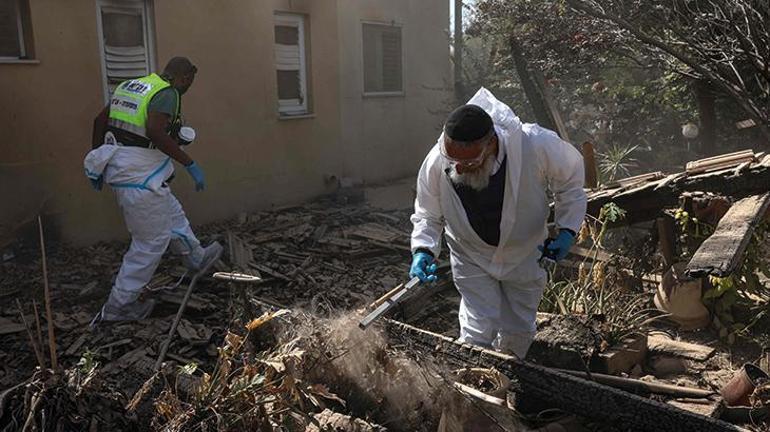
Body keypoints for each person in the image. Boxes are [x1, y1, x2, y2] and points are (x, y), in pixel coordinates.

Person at [409, 88, 587, 357]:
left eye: (468, 161)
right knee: (477, 329)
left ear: (491, 143)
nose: (458, 168)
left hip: (526, 252)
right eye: (453, 159)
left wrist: (568, 229)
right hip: (470, 255)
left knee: (518, 328)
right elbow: (427, 213)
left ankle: (511, 380)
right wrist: (423, 249)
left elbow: (571, 184)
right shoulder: (437, 161)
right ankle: (478, 383)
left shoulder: (534, 144)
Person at [85, 57, 222, 322]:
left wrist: (98, 158)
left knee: (171, 212)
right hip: (139, 176)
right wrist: (189, 163)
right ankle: (119, 306)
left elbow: (98, 121)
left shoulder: (132, 86)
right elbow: (156, 133)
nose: (188, 87)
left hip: (130, 171)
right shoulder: (168, 93)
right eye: (189, 81)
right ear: (183, 76)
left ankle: (196, 258)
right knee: (150, 242)